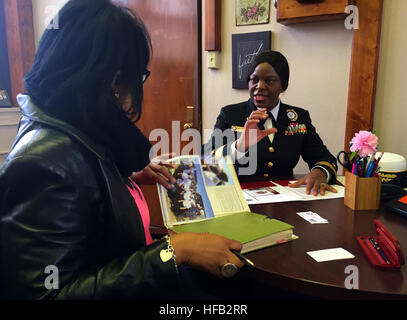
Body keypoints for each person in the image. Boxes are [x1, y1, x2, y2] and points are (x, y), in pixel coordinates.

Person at [0, 0, 244, 300]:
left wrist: (121, 178)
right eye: (138, 76)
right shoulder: (44, 164)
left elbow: (88, 202)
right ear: (115, 80)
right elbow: (47, 295)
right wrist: (172, 252)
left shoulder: (78, 127)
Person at [203, 51, 338, 196]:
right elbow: (206, 158)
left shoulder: (299, 118)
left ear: (283, 85)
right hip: (240, 198)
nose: (260, 86)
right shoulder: (231, 114)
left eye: (269, 81)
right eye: (254, 80)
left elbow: (324, 158)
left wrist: (319, 172)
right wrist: (239, 146)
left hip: (286, 200)